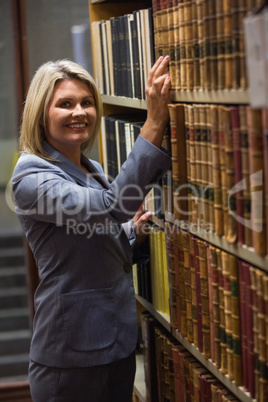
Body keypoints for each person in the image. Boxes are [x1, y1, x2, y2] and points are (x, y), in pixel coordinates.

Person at [11, 56, 171, 402]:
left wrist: (132, 235)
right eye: (65, 104)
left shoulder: (92, 167)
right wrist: (154, 124)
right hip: (71, 357)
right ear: (41, 113)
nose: (79, 112)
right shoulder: (31, 179)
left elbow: (92, 246)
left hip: (116, 344)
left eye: (86, 102)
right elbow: (113, 207)